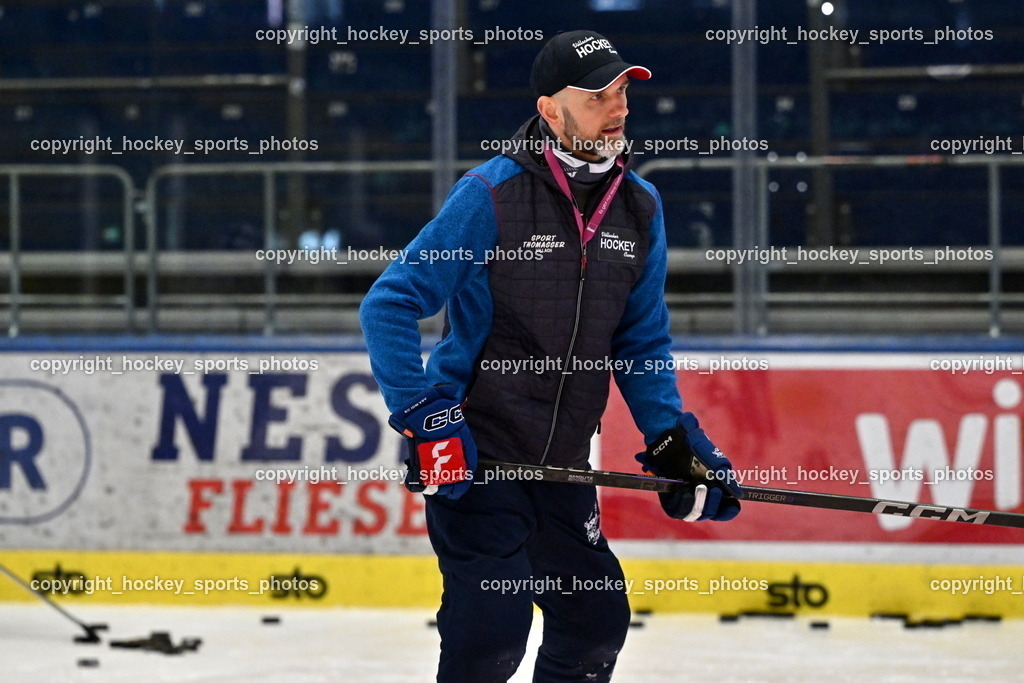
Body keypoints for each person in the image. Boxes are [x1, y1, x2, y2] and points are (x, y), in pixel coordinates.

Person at [360, 29, 743, 683]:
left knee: (595, 622)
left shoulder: (640, 209)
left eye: (622, 90)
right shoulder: (492, 196)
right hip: (478, 460)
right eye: (597, 95)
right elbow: (391, 302)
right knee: (491, 635)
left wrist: (675, 441)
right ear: (550, 111)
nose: (617, 107)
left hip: (564, 466)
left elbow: (640, 341)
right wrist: (425, 414)